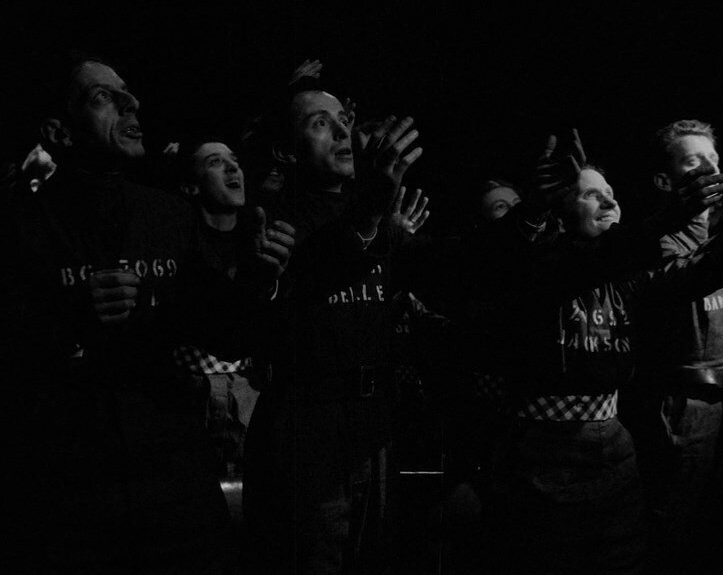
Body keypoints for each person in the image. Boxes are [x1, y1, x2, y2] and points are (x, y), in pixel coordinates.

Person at [2, 52, 290, 574]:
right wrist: (68, 316)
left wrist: (257, 276)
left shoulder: (167, 214)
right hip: (67, 486)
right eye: (103, 97)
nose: (131, 102)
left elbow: (226, 334)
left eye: (128, 92)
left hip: (175, 479)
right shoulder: (21, 223)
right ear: (58, 132)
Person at [460, 129, 723, 573]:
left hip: (615, 448)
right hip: (543, 452)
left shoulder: (626, 277)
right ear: (560, 210)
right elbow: (579, 265)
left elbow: (696, 274)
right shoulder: (540, 270)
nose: (610, 200)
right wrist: (666, 218)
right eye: (590, 194)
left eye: (610, 192)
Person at [242, 81, 423, 574]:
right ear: (287, 150)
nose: (342, 131)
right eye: (320, 124)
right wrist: (370, 216)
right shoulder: (271, 215)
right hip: (307, 428)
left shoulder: (377, 213)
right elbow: (311, 275)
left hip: (374, 425)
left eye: (343, 119)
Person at [624, 119, 723, 572]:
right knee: (676, 530)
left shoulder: (717, 236)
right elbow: (684, 278)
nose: (711, 170)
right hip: (682, 408)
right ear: (664, 180)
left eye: (714, 159)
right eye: (694, 162)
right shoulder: (655, 242)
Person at [173, 137, 295, 478]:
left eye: (234, 161)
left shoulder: (258, 238)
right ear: (191, 186)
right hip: (190, 389)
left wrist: (269, 281)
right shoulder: (179, 241)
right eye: (215, 162)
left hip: (251, 384)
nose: (232, 168)